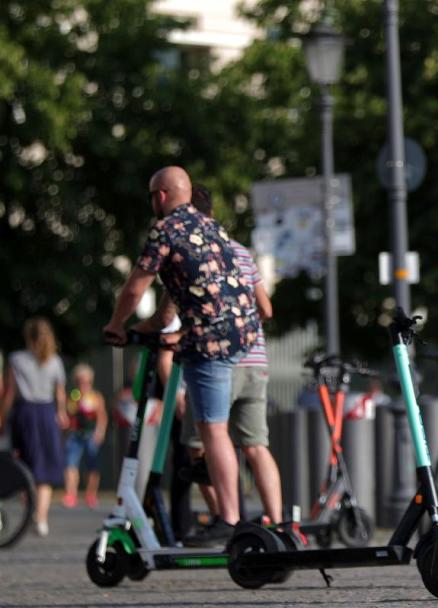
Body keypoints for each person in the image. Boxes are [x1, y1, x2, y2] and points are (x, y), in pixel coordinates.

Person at [103, 166, 260, 546]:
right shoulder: (211, 227)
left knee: (212, 428)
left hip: (210, 339)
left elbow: (134, 288)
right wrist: (147, 329)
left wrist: (117, 324)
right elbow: (189, 292)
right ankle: (230, 510)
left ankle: (230, 516)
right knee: (215, 429)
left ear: (159, 196)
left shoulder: (166, 230)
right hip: (243, 332)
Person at [180, 185, 283, 531]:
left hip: (218, 358)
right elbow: (267, 308)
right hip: (255, 360)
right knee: (256, 446)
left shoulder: (194, 252)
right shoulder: (240, 251)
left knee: (201, 442)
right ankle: (279, 523)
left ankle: (224, 517)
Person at [0, 318, 69, 536]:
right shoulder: (55, 361)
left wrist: (2, 417)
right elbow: (59, 392)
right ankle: (41, 518)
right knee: (45, 468)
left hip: (25, 413)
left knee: (24, 465)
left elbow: (10, 392)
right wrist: (62, 412)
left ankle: (31, 511)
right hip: (47, 413)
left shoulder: (16, 359)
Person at [63, 363, 108, 509]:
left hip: (91, 434)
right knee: (71, 464)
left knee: (92, 466)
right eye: (80, 381)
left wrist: (99, 432)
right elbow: (68, 414)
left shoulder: (95, 396)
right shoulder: (73, 395)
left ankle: (90, 495)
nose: (84, 384)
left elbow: (102, 416)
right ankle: (71, 494)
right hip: (75, 434)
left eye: (87, 381)